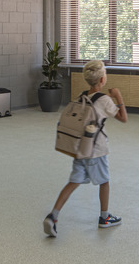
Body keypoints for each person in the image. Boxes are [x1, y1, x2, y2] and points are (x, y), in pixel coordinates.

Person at [43, 60, 127, 236]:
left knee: (73, 182)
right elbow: (122, 118)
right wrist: (118, 97)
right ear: (103, 79)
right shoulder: (104, 100)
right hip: (96, 150)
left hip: (80, 148)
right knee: (104, 181)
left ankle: (53, 215)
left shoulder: (82, 96)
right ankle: (105, 217)